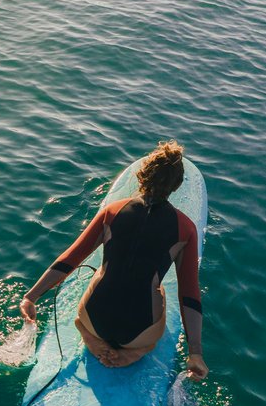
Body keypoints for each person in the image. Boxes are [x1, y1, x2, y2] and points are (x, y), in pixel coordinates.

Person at [19, 141, 208, 379]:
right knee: (158, 291)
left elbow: (70, 259)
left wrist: (31, 297)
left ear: (141, 176)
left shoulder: (112, 211)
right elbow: (189, 294)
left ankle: (88, 337)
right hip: (138, 333)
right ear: (177, 185)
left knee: (99, 274)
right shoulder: (186, 229)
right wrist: (195, 353)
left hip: (94, 321)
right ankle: (136, 352)